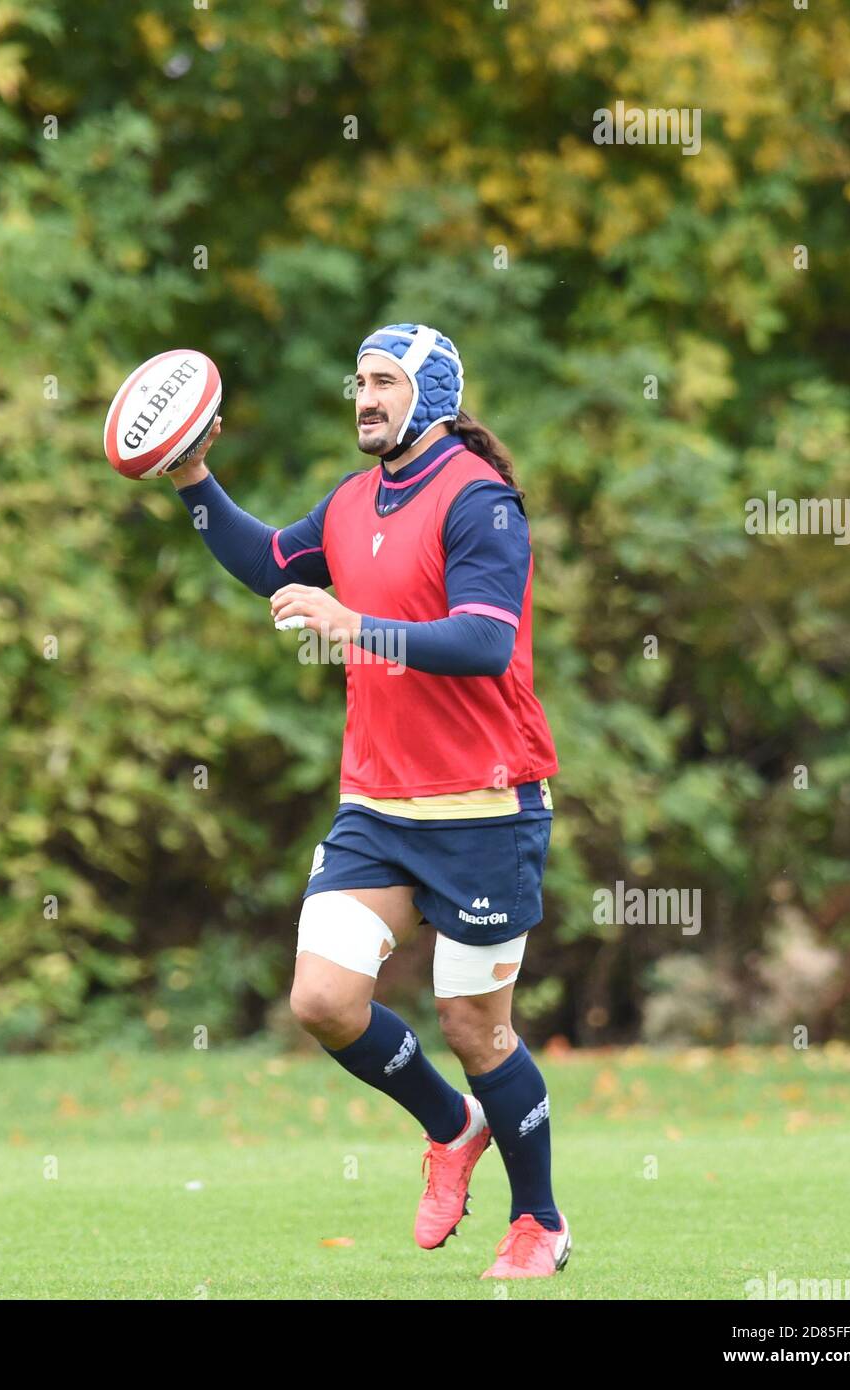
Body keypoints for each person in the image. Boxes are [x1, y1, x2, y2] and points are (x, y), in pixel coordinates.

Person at [169, 323, 569, 1278]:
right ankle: (450, 1126)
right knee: (321, 999)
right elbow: (271, 562)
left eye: (383, 381)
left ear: (430, 397)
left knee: (476, 1027)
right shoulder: (351, 502)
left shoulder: (481, 502)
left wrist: (352, 623)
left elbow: (478, 641)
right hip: (377, 808)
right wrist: (192, 482)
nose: (363, 397)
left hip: (483, 805)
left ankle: (539, 1224)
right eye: (356, 381)